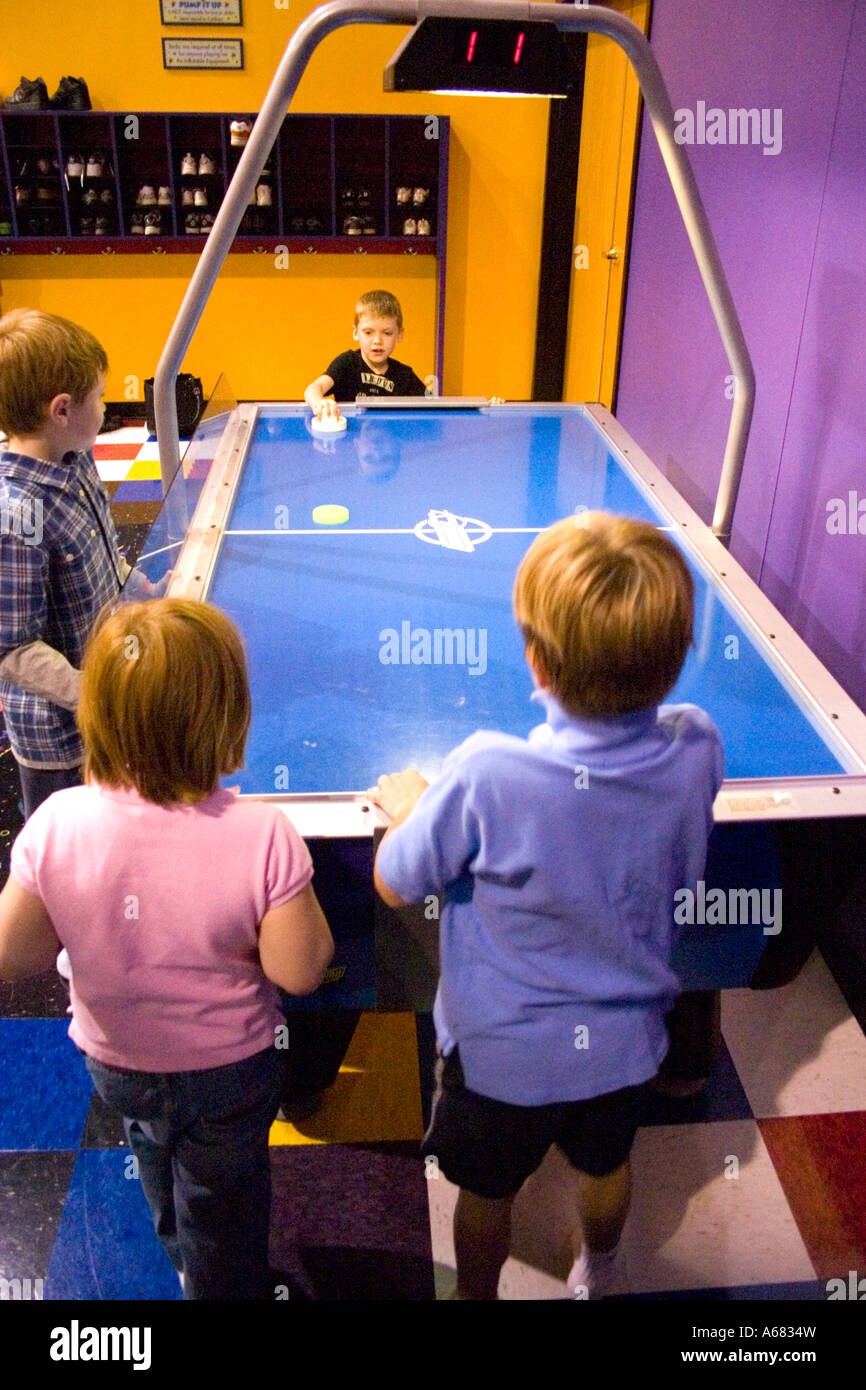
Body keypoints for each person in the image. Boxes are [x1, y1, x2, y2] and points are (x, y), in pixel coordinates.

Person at [367, 512, 724, 1300]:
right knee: (606, 1164)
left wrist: (413, 810)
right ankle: (600, 1267)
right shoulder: (699, 744)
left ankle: (475, 1293)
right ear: (674, 664)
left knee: (485, 1193)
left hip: (498, 1059)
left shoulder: (487, 773)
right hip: (628, 1047)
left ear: (534, 662)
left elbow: (395, 880)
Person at [0, 598, 334, 1299]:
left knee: (152, 1148)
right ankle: (219, 1284)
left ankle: (181, 1256)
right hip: (229, 1072)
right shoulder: (263, 834)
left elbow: (12, 954)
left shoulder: (58, 822)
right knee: (225, 1194)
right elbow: (300, 972)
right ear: (228, 719)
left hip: (117, 1060)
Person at [0, 308, 158, 821]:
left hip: (100, 708)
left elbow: (102, 552)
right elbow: (13, 648)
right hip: (59, 741)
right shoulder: (15, 515)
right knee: (67, 849)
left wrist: (143, 589)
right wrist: (94, 693)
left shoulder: (78, 457)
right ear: (62, 409)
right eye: (101, 397)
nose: (108, 407)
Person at [304, 289, 428, 421]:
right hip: (350, 439)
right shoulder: (347, 363)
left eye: (387, 333)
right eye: (368, 332)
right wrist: (319, 403)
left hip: (391, 440)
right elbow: (313, 389)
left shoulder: (405, 375)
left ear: (399, 334)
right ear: (356, 332)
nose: (377, 341)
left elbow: (432, 408)